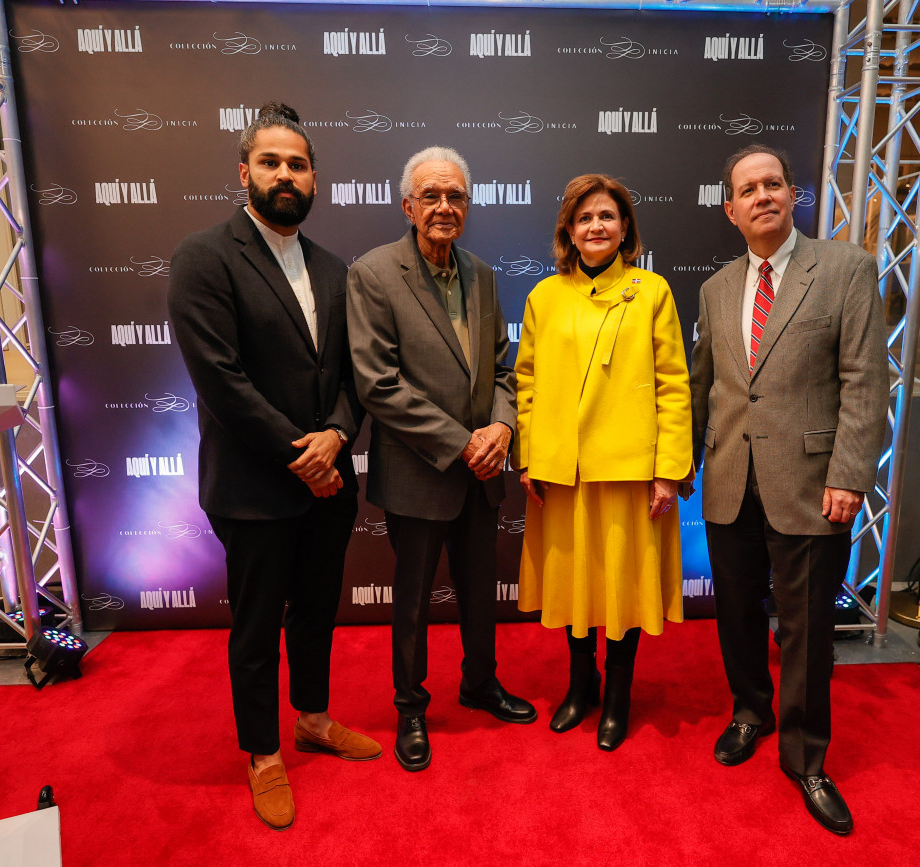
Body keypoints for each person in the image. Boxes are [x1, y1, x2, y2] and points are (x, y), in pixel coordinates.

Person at [168, 102, 378, 832]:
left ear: (314, 178)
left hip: (329, 482)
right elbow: (222, 381)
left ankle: (313, 720)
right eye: (271, 162)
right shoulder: (204, 257)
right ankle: (262, 753)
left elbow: (353, 375)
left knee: (317, 612)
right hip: (255, 488)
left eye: (298, 164)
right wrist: (304, 456)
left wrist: (338, 437)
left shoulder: (333, 269)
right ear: (244, 172)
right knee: (257, 629)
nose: (285, 174)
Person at [689, 144, 888, 835]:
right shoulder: (716, 288)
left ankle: (806, 757)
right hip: (729, 481)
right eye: (748, 189)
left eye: (772, 183)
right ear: (730, 210)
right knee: (737, 612)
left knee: (805, 630)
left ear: (793, 194)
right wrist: (680, 465)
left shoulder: (845, 269)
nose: (762, 196)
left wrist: (849, 474)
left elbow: (866, 380)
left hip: (811, 484)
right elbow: (704, 384)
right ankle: (750, 711)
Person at [347, 146, 536, 773]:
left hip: (482, 472)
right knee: (412, 601)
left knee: (480, 591)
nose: (444, 207)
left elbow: (503, 368)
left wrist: (502, 428)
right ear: (408, 206)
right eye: (431, 195)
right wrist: (464, 443)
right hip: (419, 472)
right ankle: (410, 707)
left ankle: (480, 683)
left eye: (455, 196)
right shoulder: (374, 273)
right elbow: (378, 384)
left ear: (468, 207)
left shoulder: (481, 273)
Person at [514, 174, 693, 751]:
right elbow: (526, 384)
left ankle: (618, 695)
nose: (596, 226)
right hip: (562, 471)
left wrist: (668, 470)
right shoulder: (544, 296)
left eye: (607, 216)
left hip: (629, 471)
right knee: (574, 585)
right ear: (569, 230)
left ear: (624, 229)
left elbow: (674, 386)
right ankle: (579, 686)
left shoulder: (653, 291)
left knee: (621, 586)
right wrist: (529, 459)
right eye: (585, 217)